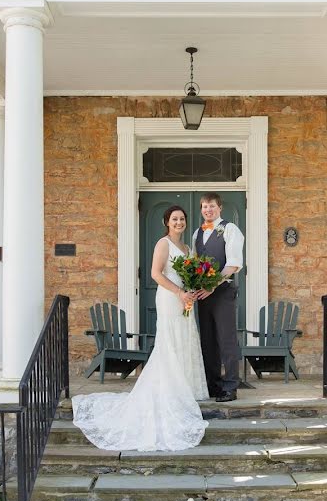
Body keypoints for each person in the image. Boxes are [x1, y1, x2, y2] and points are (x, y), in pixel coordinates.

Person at [71, 205, 209, 451]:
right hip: (169, 297)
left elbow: (191, 275)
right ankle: (169, 388)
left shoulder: (188, 248)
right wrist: (178, 292)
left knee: (185, 338)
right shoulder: (163, 244)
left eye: (182, 219)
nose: (179, 222)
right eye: (174, 219)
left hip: (184, 299)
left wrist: (191, 291)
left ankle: (184, 387)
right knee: (170, 339)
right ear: (167, 222)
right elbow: (156, 274)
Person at [192, 193, 245, 403]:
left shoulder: (230, 230)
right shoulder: (197, 233)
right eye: (204, 206)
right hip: (203, 295)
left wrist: (212, 286)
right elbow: (196, 263)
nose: (208, 210)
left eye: (212, 206)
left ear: (220, 208)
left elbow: (233, 264)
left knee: (226, 339)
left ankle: (231, 386)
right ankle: (213, 385)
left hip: (222, 292)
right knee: (208, 340)